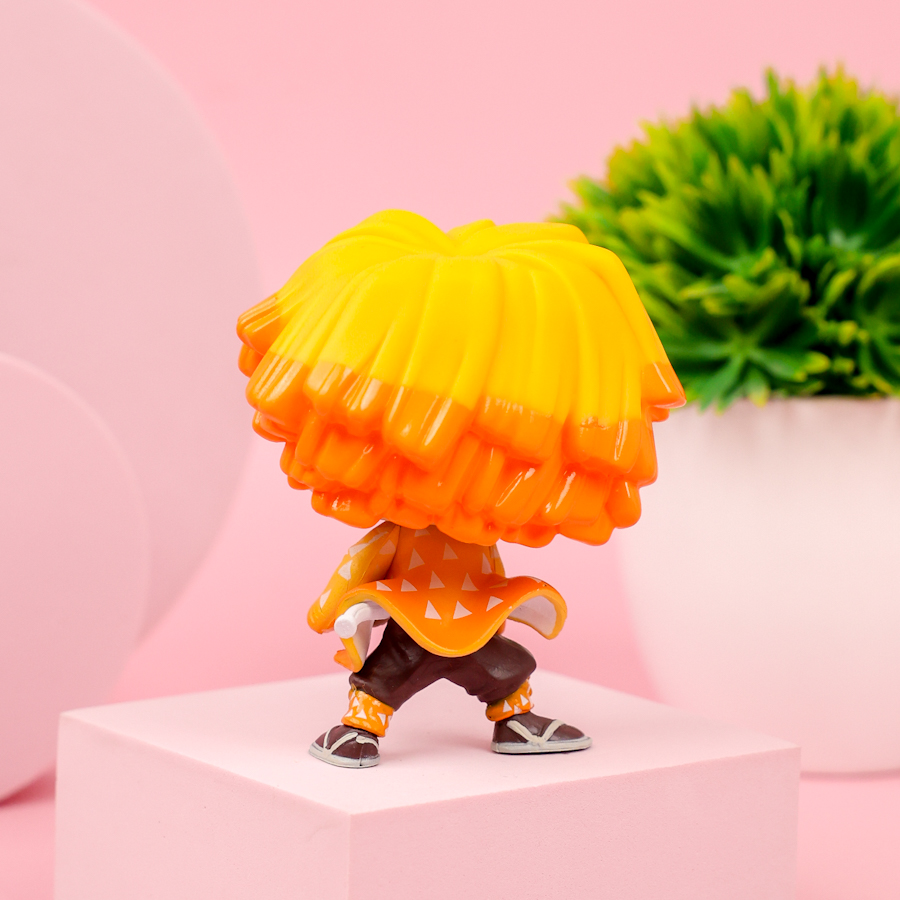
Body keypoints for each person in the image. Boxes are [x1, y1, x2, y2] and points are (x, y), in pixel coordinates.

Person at [236, 210, 684, 767]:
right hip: (413, 617)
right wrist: (333, 606)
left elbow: (481, 550)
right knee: (389, 672)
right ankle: (357, 729)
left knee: (505, 667)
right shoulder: (401, 529)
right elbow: (366, 556)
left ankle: (514, 720)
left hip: (476, 617)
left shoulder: (482, 518)